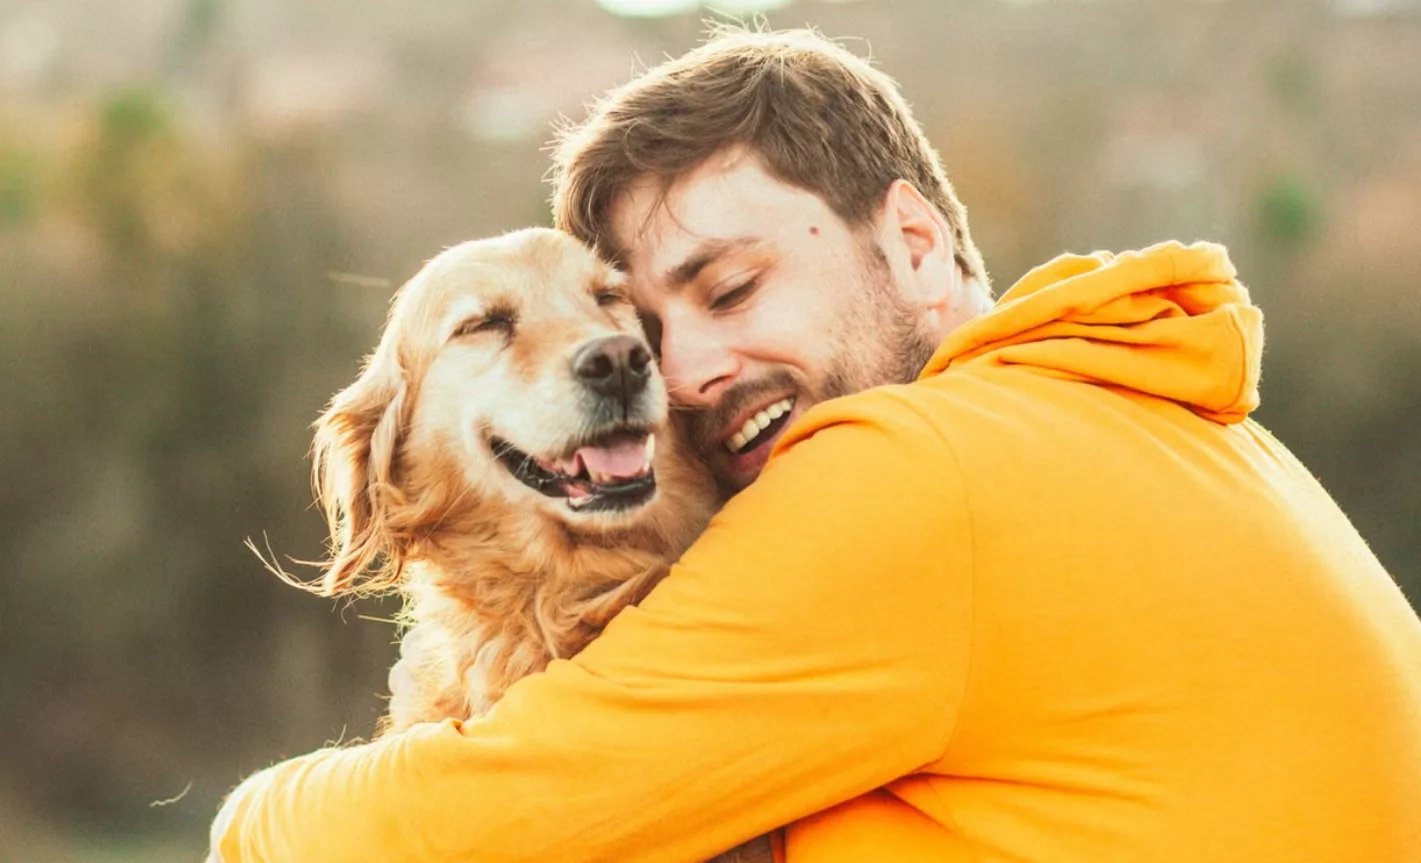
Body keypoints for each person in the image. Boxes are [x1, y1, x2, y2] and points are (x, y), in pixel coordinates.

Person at [209, 28, 1421, 863]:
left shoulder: (910, 471)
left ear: (914, 243)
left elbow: (480, 823)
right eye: (653, 317)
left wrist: (254, 818)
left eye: (731, 288)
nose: (673, 374)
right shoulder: (1147, 423)